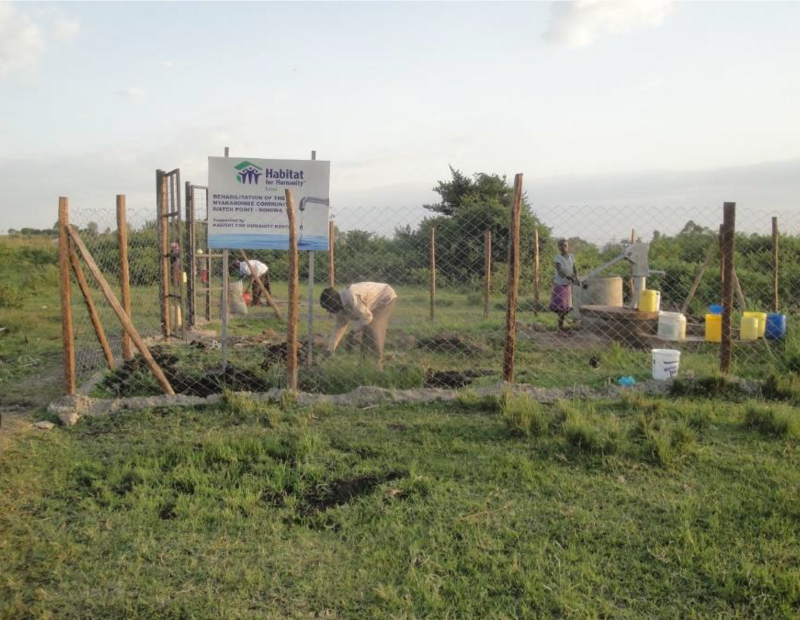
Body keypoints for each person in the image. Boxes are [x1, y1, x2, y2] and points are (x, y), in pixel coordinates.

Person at [320, 282, 397, 369]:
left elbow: (367, 317)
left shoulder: (351, 296)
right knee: (366, 329)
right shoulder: (339, 307)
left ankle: (377, 365)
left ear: (334, 303)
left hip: (385, 296)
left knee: (372, 329)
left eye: (328, 308)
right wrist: (330, 349)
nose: (328, 311)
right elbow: (339, 328)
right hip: (371, 304)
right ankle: (364, 364)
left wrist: (352, 332)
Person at [549, 239, 579, 332]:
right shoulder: (557, 258)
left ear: (568, 246)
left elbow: (574, 269)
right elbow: (560, 271)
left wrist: (576, 278)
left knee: (566, 308)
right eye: (561, 246)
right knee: (561, 308)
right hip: (560, 284)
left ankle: (562, 327)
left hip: (567, 284)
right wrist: (571, 278)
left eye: (565, 245)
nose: (563, 247)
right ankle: (560, 328)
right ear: (558, 247)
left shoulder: (571, 257)